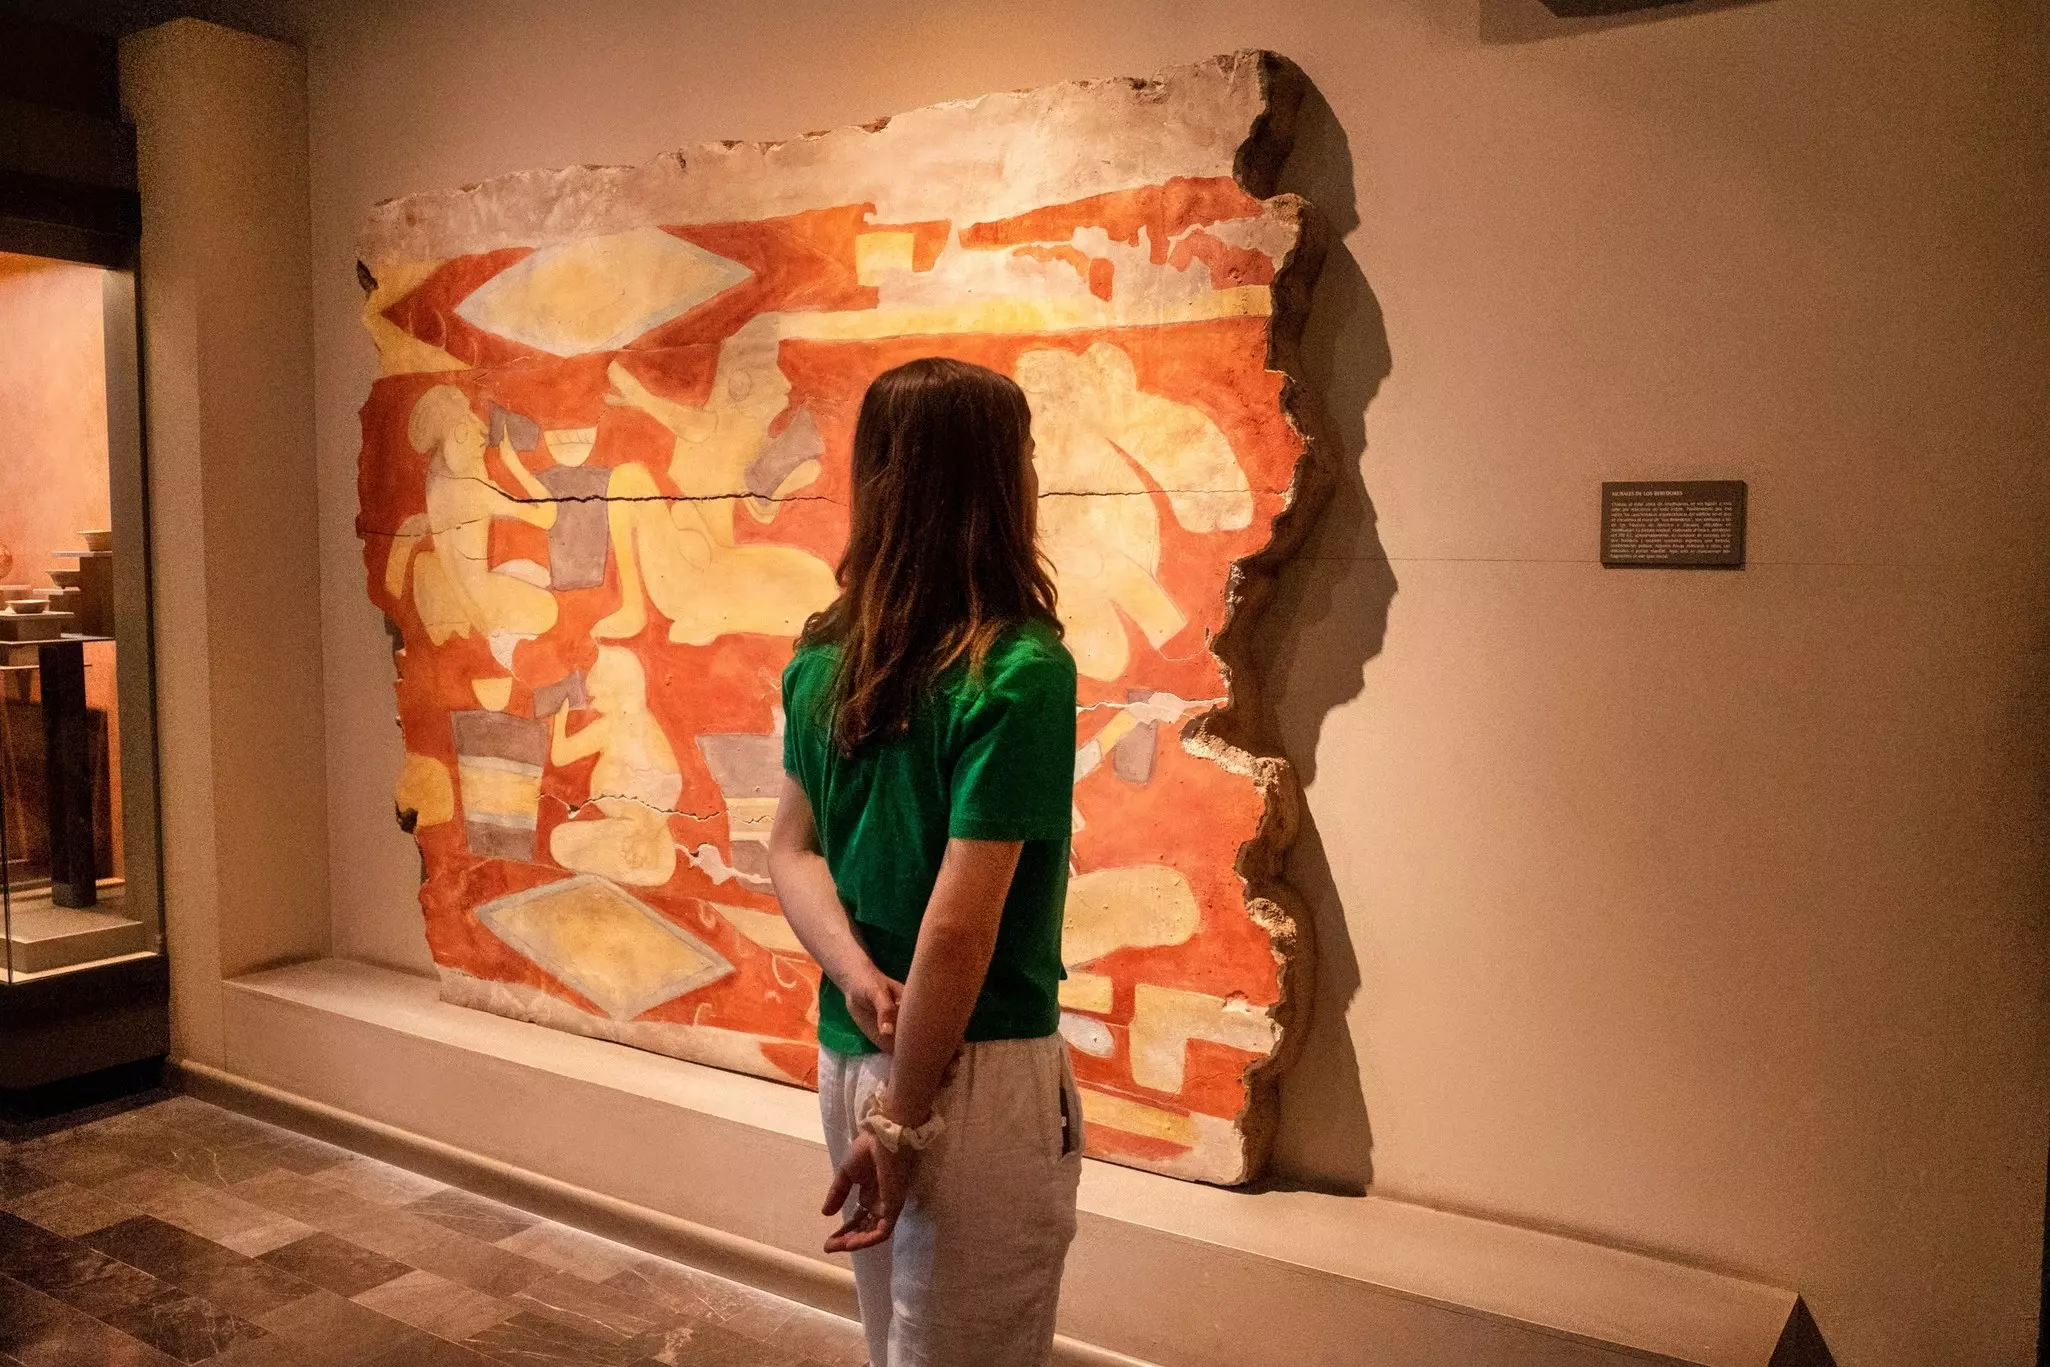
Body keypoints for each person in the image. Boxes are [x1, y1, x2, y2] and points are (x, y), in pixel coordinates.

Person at [768, 356, 1082, 1367]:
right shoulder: (1018, 668)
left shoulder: (825, 658)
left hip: (852, 1054)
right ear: (996, 480)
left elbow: (789, 850)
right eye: (1025, 454)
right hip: (971, 1068)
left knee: (895, 1344)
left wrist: (858, 979)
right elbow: (959, 924)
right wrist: (903, 1122)